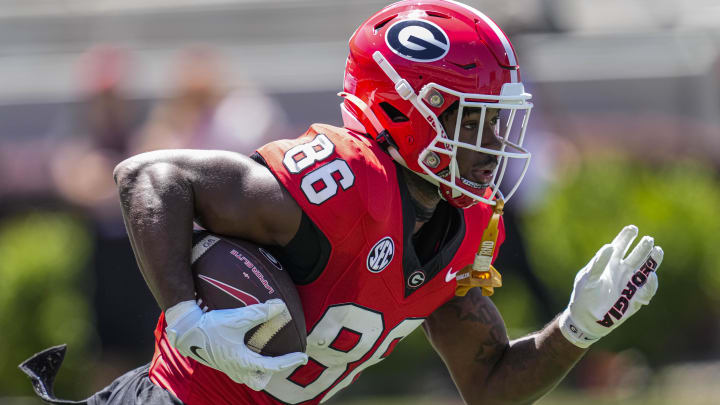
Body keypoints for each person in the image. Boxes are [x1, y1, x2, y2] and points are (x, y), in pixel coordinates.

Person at [20, 1, 663, 404]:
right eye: (474, 120)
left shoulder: (465, 225)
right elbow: (148, 176)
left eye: (498, 122)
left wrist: (577, 329)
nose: (493, 143)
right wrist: (186, 317)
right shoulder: (346, 181)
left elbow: (488, 384)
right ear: (402, 110)